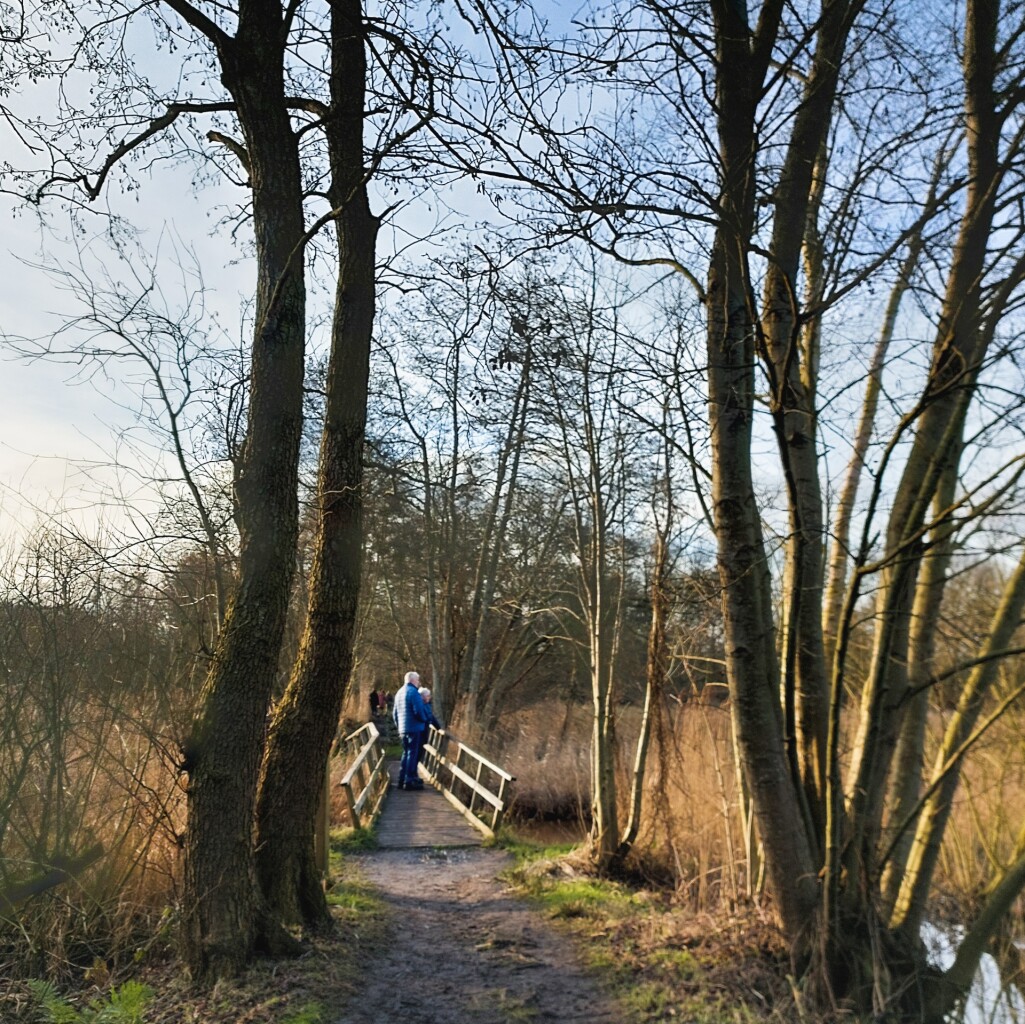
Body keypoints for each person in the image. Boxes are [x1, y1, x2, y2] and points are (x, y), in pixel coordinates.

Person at [393, 670, 427, 789]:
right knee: (413, 753)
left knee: (405, 752)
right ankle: (410, 779)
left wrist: (399, 726)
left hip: (403, 728)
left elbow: (395, 713)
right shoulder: (414, 692)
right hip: (414, 727)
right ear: (413, 680)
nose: (418, 682)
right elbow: (419, 711)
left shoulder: (399, 693)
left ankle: (401, 779)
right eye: (417, 680)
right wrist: (424, 720)